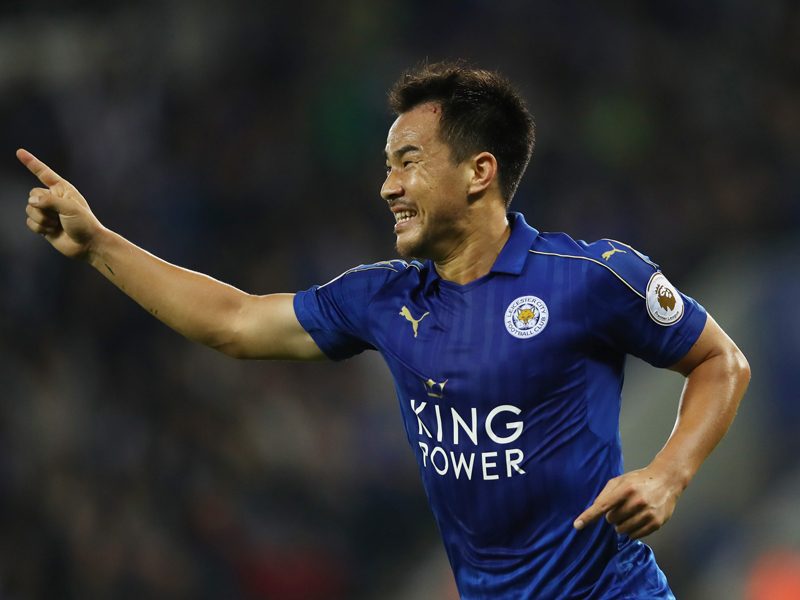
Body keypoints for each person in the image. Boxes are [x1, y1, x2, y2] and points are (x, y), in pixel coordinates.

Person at [19, 61, 750, 599]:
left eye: (408, 162)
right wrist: (101, 246)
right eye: (386, 165)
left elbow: (722, 362)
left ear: (479, 172)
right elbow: (233, 321)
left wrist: (668, 473)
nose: (387, 186)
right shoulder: (381, 299)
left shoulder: (589, 277)